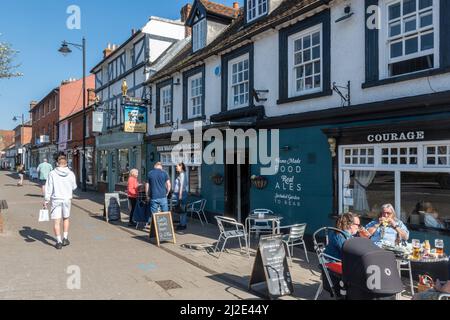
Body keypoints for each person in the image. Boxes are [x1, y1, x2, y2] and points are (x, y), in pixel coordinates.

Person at [44, 155, 77, 250]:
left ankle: (58, 242)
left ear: (57, 163)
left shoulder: (52, 173)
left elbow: (48, 188)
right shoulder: (71, 173)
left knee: (56, 221)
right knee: (66, 218)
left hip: (56, 199)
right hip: (67, 199)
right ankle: (65, 238)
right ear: (66, 163)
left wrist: (46, 200)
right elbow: (74, 187)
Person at [174, 163, 189, 231]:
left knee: (182, 209)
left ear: (181, 166)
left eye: (177, 166)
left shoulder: (182, 174)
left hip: (182, 194)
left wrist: (180, 195)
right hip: (180, 193)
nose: (176, 167)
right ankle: (181, 223)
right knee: (181, 209)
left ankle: (183, 225)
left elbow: (182, 185)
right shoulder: (181, 174)